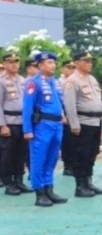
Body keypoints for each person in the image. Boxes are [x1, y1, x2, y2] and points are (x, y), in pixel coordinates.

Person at [22, 51, 68, 207]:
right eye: (49, 63)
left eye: (54, 63)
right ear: (40, 65)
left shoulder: (54, 82)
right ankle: (39, 192)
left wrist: (62, 115)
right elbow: (27, 107)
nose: (53, 65)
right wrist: (27, 130)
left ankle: (49, 188)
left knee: (52, 158)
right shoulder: (33, 83)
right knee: (38, 159)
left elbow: (58, 102)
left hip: (56, 125)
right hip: (42, 125)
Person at [63, 51, 102, 197]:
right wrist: (74, 124)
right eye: (86, 61)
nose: (89, 63)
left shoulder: (92, 79)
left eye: (90, 61)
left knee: (91, 154)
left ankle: (88, 182)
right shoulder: (72, 80)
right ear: (76, 63)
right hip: (83, 123)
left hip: (95, 122)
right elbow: (69, 105)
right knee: (81, 154)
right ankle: (80, 186)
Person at [1, 52, 31, 196]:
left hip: (23, 122)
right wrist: (2, 125)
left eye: (16, 61)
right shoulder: (1, 81)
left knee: (21, 153)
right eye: (10, 61)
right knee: (7, 154)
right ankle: (9, 183)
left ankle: (19, 180)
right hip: (9, 122)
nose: (14, 64)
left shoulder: (23, 81)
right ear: (4, 64)